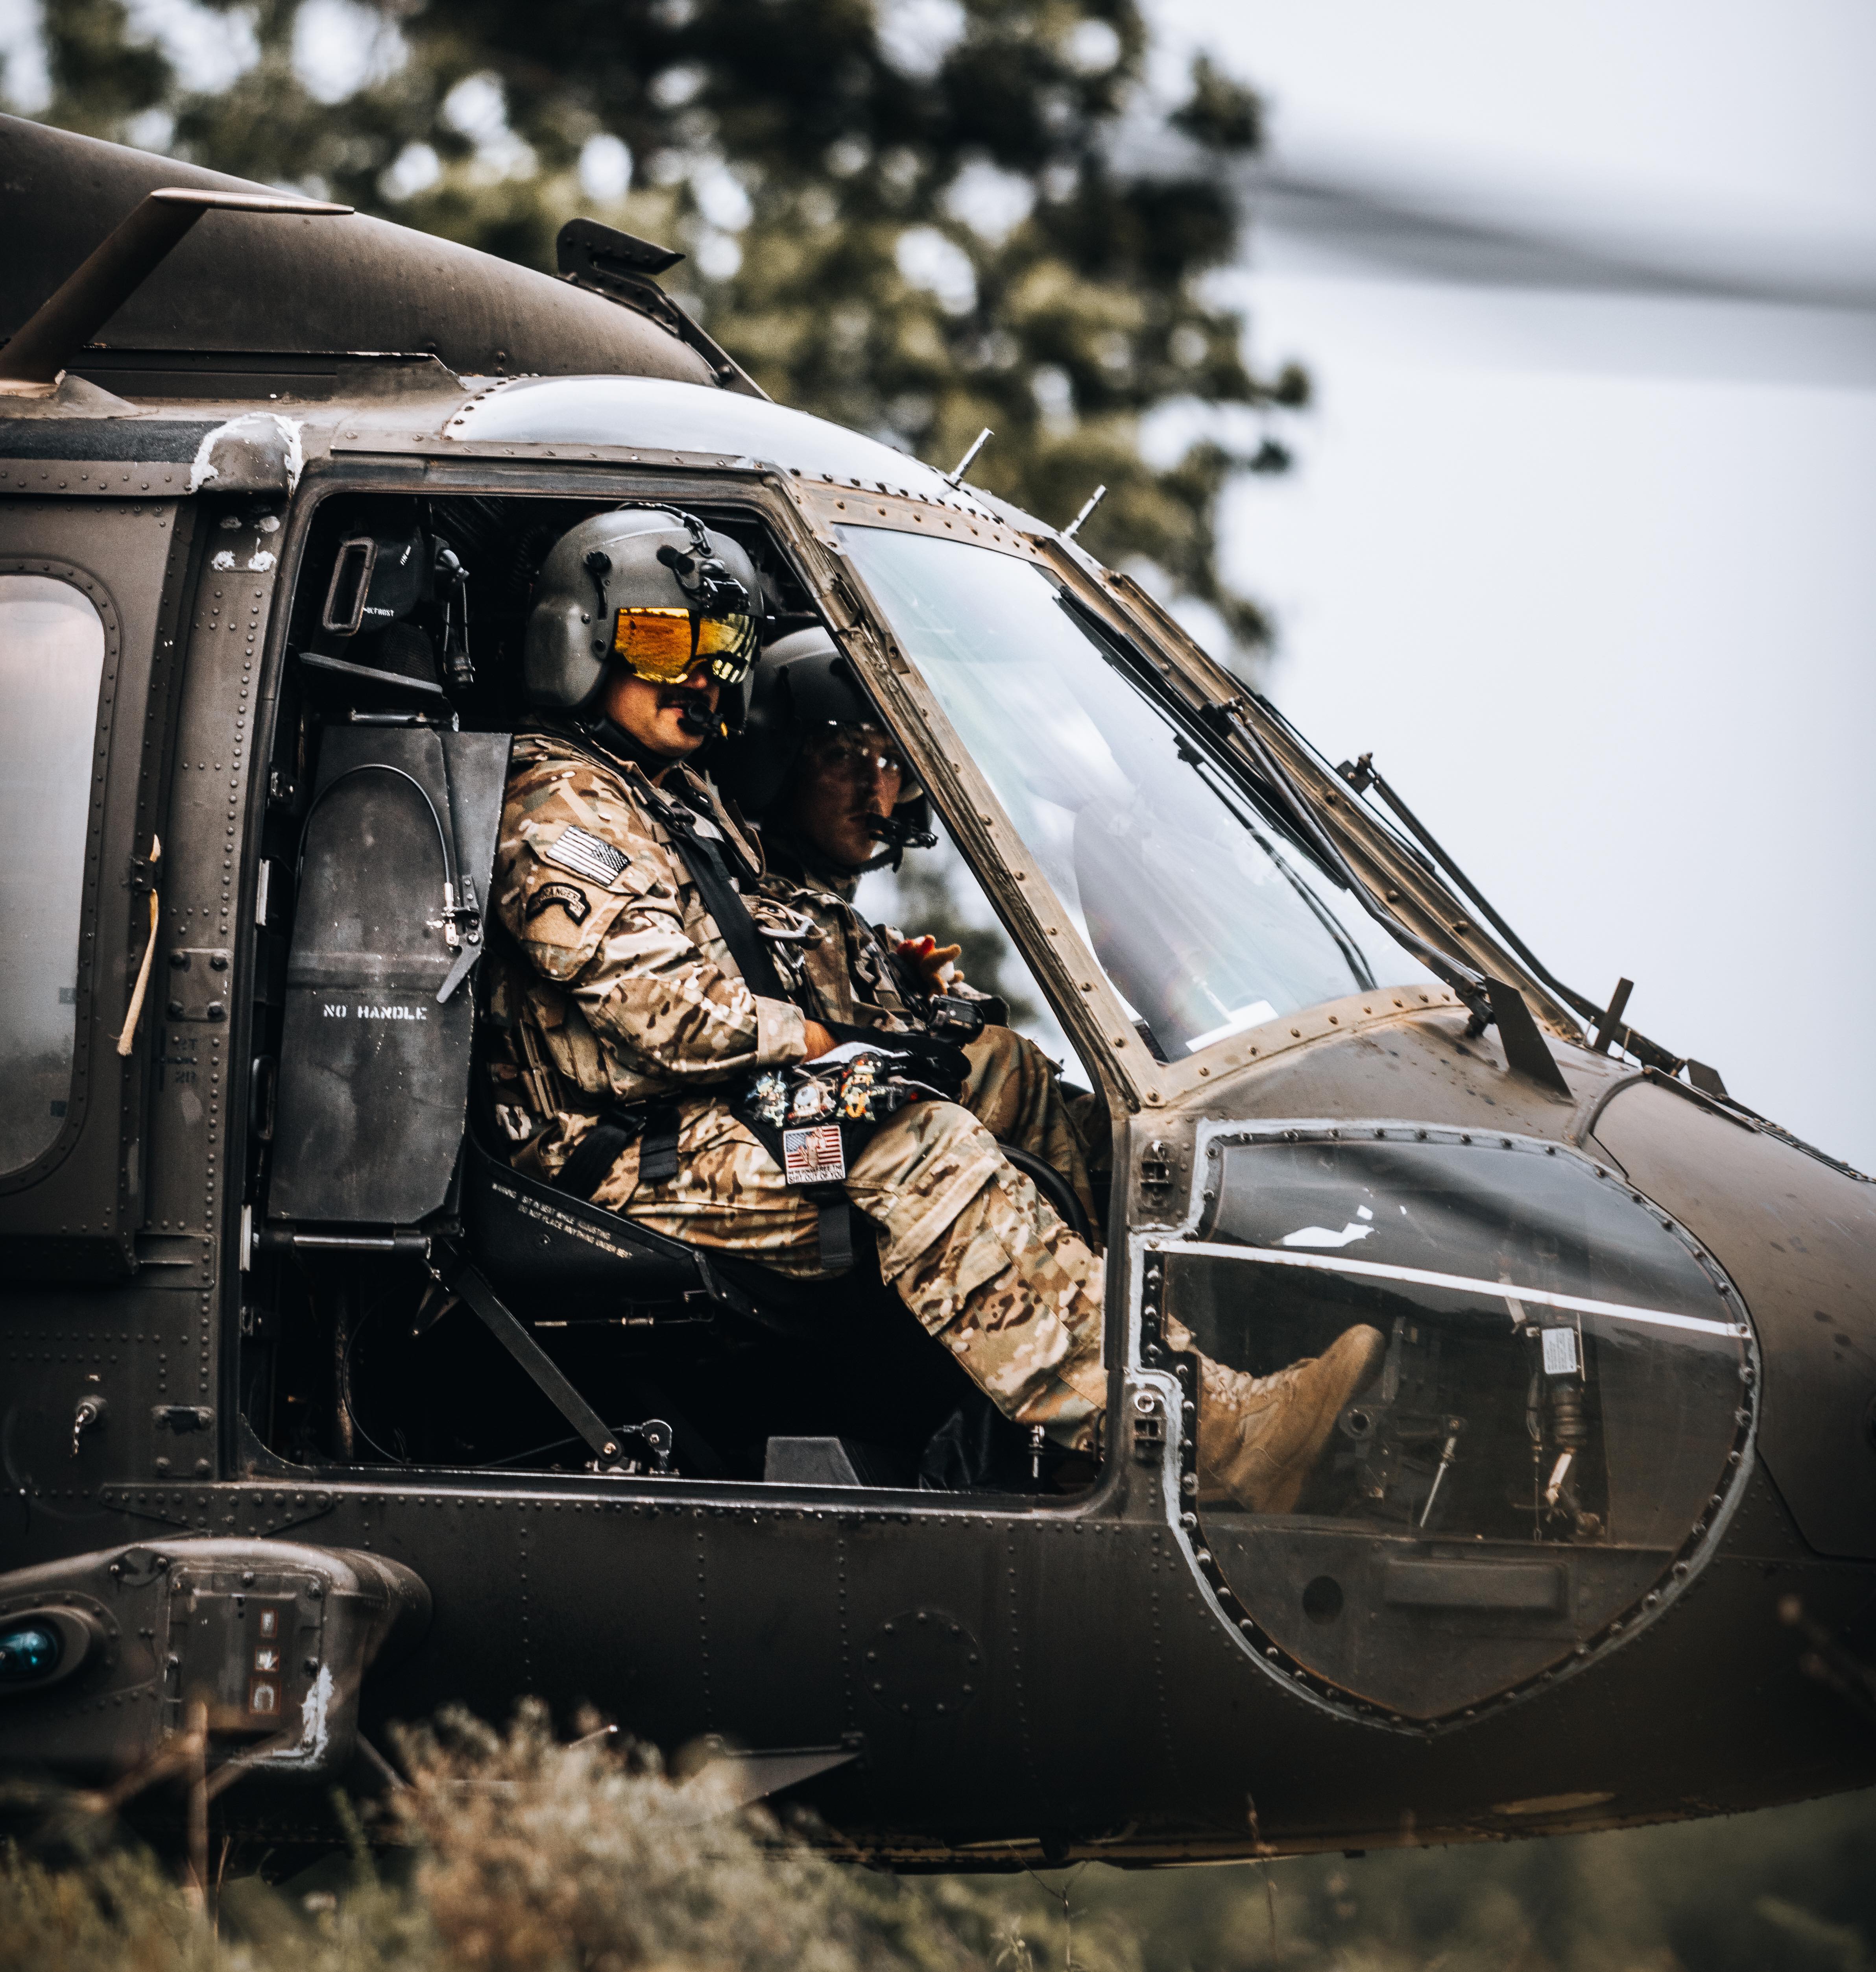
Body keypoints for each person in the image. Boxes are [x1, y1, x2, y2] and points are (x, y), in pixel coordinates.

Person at [487, 506, 1383, 1502]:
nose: (699, 676)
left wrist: (890, 1008)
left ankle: (1220, 1350)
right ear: (583, 636)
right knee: (915, 1142)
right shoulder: (554, 799)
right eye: (667, 642)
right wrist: (827, 1035)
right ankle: (1207, 1440)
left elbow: (749, 956)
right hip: (620, 1157)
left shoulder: (663, 793)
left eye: (718, 647)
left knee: (996, 1072)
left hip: (709, 1121)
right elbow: (665, 1013)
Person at [722, 628, 1104, 1230]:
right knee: (1007, 1063)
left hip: (864, 1142)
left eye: (893, 762)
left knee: (1098, 1126)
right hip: (793, 1149)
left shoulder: (852, 926)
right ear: (778, 755)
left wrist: (929, 995)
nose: (876, 786)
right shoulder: (757, 906)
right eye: (843, 755)